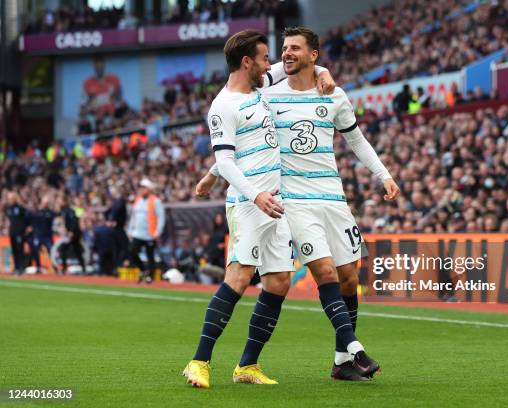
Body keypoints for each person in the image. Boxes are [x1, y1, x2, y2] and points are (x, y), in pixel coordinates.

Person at [199, 26, 399, 381]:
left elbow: (357, 140)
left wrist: (384, 174)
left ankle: (341, 360)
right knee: (323, 271)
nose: (285, 53)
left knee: (350, 277)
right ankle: (355, 349)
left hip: (332, 196)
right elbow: (241, 136)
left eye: (294, 48)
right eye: (283, 48)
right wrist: (215, 172)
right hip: (292, 198)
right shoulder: (268, 95)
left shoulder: (334, 95)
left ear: (313, 55)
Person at [183, 29, 345, 389]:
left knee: (279, 281)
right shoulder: (222, 106)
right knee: (240, 277)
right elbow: (226, 161)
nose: (270, 64)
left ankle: (247, 365)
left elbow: (299, 66)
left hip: (276, 202)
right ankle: (198, 361)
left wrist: (323, 72)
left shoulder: (260, 85)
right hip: (249, 204)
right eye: (263, 58)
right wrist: (252, 194)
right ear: (247, 62)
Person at [127, 178, 165, 283]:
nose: (141, 190)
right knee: (132, 251)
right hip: (137, 233)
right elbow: (133, 217)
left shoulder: (155, 201)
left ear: (149, 189)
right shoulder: (138, 200)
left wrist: (158, 231)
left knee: (150, 256)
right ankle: (143, 270)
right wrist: (130, 230)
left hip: (150, 234)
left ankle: (150, 276)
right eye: (140, 188)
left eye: (143, 187)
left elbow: (161, 217)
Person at [27, 195, 57, 273]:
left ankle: (55, 267)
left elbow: (56, 216)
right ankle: (38, 267)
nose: (46, 204)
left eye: (47, 203)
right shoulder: (38, 212)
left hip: (48, 236)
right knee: (35, 250)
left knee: (52, 252)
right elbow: (31, 219)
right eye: (45, 202)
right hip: (39, 236)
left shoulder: (50, 212)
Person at [59, 195, 87, 274]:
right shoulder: (67, 210)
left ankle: (82, 268)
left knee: (74, 251)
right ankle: (65, 268)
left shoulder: (77, 210)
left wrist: (72, 232)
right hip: (69, 234)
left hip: (74, 234)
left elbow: (75, 222)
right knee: (68, 250)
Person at [4, 192, 29, 274]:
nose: (10, 200)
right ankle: (16, 267)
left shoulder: (20, 207)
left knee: (20, 250)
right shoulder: (8, 208)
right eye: (9, 198)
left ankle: (21, 267)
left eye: (11, 198)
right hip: (12, 232)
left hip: (20, 232)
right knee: (14, 251)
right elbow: (9, 220)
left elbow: (26, 213)